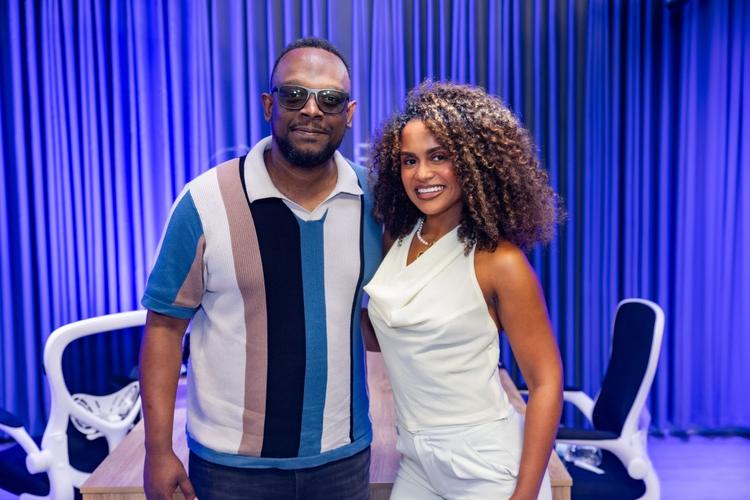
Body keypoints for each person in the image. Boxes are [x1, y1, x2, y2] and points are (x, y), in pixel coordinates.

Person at [139, 37, 381, 500]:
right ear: (269, 105)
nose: (311, 110)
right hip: (230, 469)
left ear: (349, 114)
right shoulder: (204, 201)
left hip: (342, 459)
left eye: (329, 99)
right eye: (294, 95)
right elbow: (165, 329)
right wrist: (157, 450)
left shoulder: (376, 200)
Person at [363, 81, 564, 500]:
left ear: (474, 161)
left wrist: (525, 494)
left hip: (486, 466)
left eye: (439, 156)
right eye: (409, 160)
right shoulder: (398, 239)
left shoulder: (500, 262)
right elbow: (399, 328)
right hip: (416, 459)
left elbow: (546, 383)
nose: (422, 174)